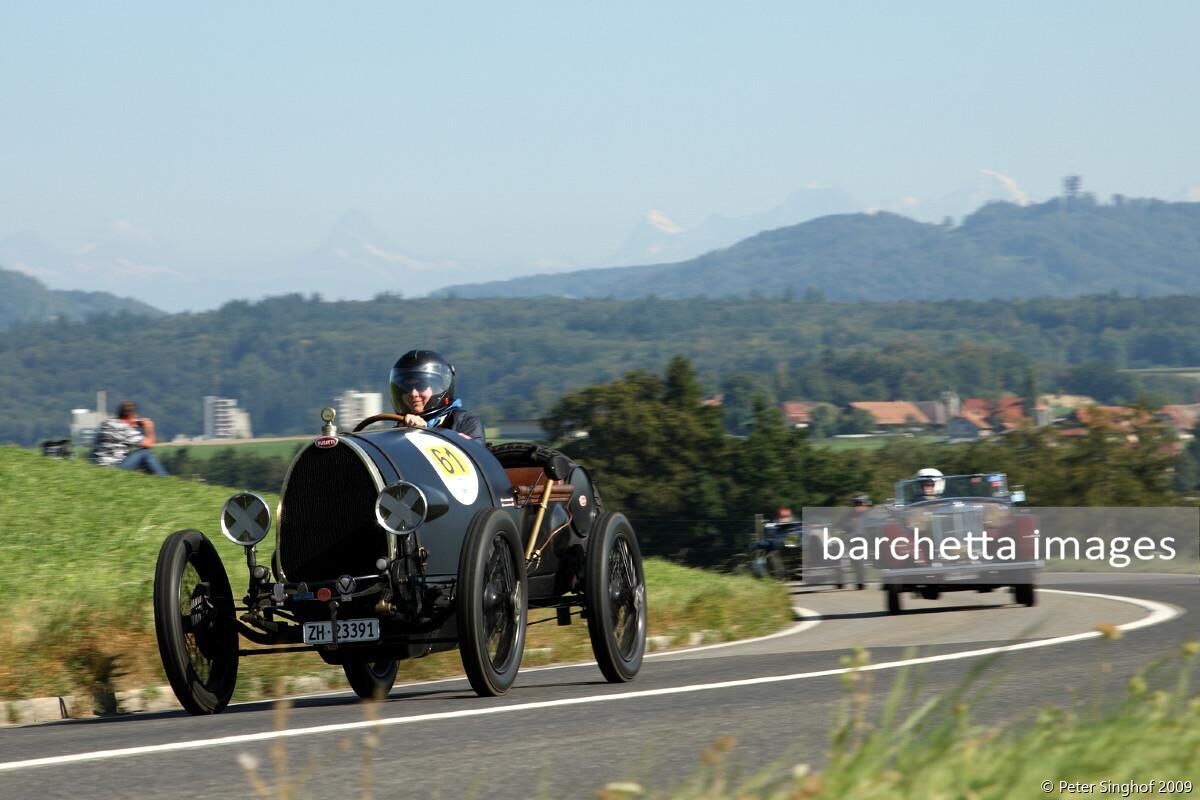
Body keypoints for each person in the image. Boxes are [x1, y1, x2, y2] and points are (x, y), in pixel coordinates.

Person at [388, 350, 486, 443]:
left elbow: (469, 456)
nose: (413, 393)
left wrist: (423, 433)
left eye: (421, 386)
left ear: (439, 388)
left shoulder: (466, 423)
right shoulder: (398, 431)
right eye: (407, 387)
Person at [90, 400, 169, 476]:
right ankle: (164, 479)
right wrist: (149, 427)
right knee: (145, 453)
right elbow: (149, 444)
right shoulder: (125, 429)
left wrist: (132, 425)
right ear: (131, 415)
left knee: (134, 455)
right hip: (112, 468)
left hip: (97, 464)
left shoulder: (106, 423)